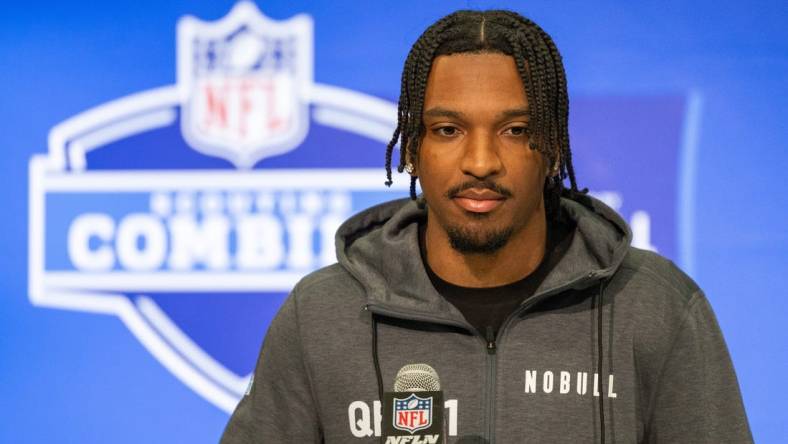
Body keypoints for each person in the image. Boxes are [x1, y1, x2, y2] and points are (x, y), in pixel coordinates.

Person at [221, 9, 752, 443]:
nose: (481, 161)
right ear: (413, 150)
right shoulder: (320, 316)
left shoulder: (655, 307)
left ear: (553, 149)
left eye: (515, 129)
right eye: (448, 129)